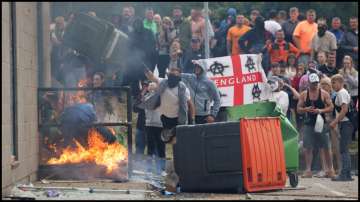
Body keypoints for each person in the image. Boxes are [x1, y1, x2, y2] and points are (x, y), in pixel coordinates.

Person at [297, 73, 334, 178]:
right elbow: (298, 109)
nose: (315, 85)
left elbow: (331, 107)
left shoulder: (324, 94)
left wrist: (320, 110)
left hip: (321, 123)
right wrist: (306, 109)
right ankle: (308, 170)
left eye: (317, 83)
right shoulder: (304, 94)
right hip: (309, 123)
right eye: (313, 83)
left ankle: (330, 169)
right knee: (308, 147)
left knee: (326, 147)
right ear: (308, 83)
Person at [330, 74, 354, 181]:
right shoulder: (340, 93)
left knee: (343, 149)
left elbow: (344, 110)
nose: (332, 85)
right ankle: (347, 174)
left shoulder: (342, 93)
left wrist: (335, 122)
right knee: (345, 149)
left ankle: (344, 174)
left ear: (340, 82)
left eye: (334, 83)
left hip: (346, 123)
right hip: (346, 123)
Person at [320, 77, 341, 175]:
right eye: (322, 84)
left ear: (330, 86)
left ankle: (340, 168)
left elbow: (338, 110)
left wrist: (335, 122)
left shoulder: (335, 95)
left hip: (334, 122)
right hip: (323, 122)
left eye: (326, 84)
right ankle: (326, 169)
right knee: (323, 146)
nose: (324, 86)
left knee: (336, 146)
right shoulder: (319, 95)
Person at [144, 82, 166, 175]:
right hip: (149, 124)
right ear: (148, 88)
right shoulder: (146, 97)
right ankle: (148, 169)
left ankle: (161, 169)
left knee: (161, 147)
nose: (152, 86)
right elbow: (150, 105)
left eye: (154, 84)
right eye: (150, 85)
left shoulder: (161, 97)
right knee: (150, 147)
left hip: (160, 125)